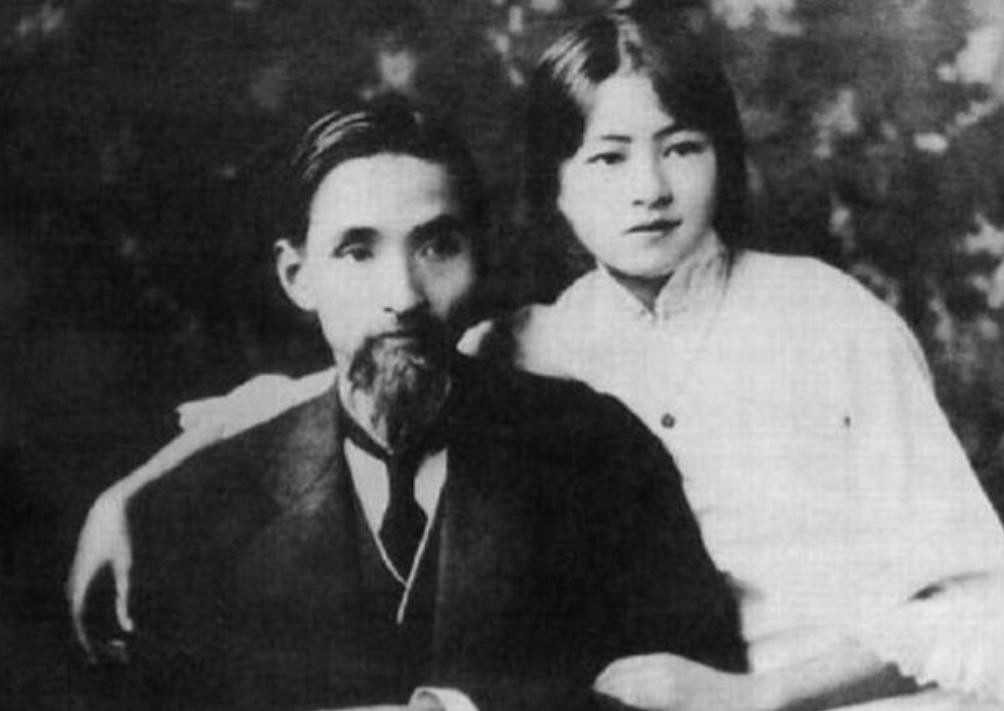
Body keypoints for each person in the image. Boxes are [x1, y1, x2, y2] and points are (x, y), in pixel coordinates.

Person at [70, 6, 1004, 710]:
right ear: (553, 184)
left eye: (682, 148)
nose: (648, 189)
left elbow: (985, 605)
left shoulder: (828, 320)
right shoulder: (538, 338)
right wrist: (128, 495)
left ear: (724, 158)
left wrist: (758, 695)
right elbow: (347, 379)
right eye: (607, 158)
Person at [91, 100, 742, 711]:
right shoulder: (202, 510)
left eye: (437, 247)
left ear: (479, 256)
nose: (402, 295)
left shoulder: (599, 454)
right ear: (298, 277)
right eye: (358, 251)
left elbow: (701, 695)